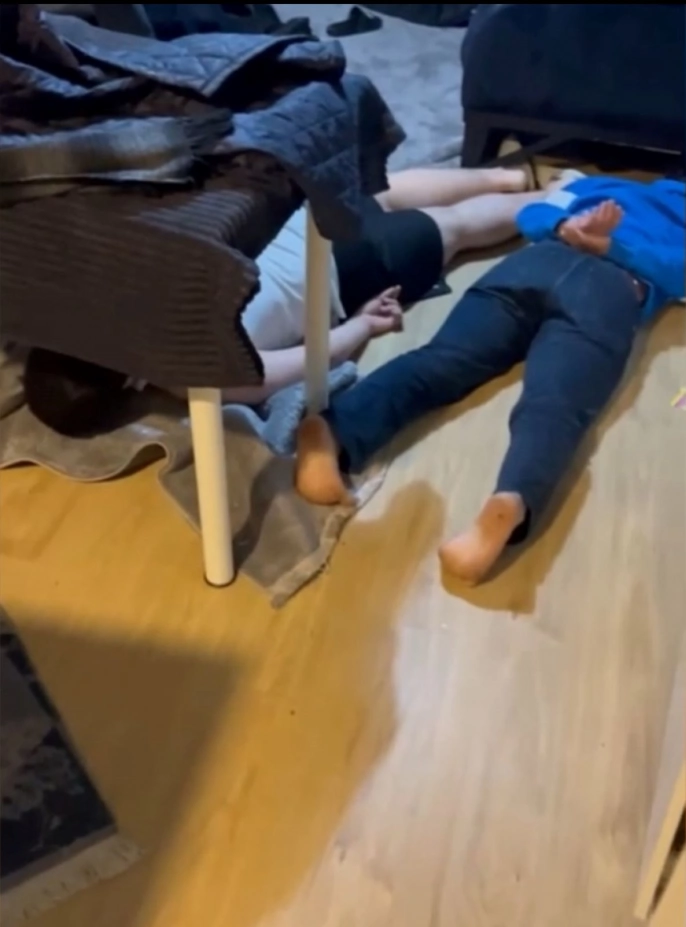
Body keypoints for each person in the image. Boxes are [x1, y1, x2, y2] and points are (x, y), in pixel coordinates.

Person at [294, 175, 686, 585]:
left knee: (441, 360)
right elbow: (677, 272)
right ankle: (511, 499)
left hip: (536, 263)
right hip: (609, 288)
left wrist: (563, 228)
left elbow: (533, 212)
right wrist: (609, 249)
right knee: (554, 405)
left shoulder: (604, 186)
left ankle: (334, 429)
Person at [219, 163, 574, 405]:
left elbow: (315, 359)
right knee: (384, 193)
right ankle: (506, 177)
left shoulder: (207, 372)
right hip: (295, 220)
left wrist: (362, 324)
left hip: (344, 265)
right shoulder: (184, 273)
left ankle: (551, 198)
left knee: (455, 224)